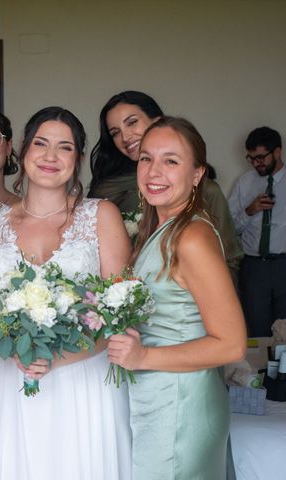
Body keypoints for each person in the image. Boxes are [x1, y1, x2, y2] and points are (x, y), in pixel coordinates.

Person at [0, 107, 133, 480]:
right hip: (9, 383)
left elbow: (118, 315)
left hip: (84, 384)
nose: (51, 156)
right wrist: (16, 353)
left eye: (65, 147)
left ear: (78, 159)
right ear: (22, 152)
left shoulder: (101, 215)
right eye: (40, 144)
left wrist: (58, 359)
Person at [108, 116, 247, 479]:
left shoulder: (192, 237)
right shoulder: (163, 228)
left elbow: (231, 345)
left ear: (197, 174)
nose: (155, 171)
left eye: (171, 161)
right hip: (160, 396)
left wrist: (144, 356)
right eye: (146, 159)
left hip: (181, 403)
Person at [88, 91, 243, 280]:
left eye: (132, 122)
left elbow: (229, 259)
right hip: (126, 297)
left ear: (158, 121)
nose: (125, 136)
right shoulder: (106, 191)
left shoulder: (205, 190)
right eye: (115, 132)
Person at [228, 127, 286, 337]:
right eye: (251, 158)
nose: (256, 163)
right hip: (253, 267)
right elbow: (230, 228)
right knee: (255, 328)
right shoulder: (244, 183)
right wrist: (250, 210)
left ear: (277, 152)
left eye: (260, 157)